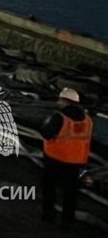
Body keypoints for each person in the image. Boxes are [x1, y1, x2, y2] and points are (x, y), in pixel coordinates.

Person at [40, 86, 94, 228]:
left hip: (55, 160)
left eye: (60, 99)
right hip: (75, 163)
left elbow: (46, 133)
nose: (58, 102)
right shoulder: (87, 120)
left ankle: (48, 216)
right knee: (70, 195)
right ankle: (67, 222)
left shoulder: (59, 117)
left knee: (49, 189)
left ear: (65, 101)